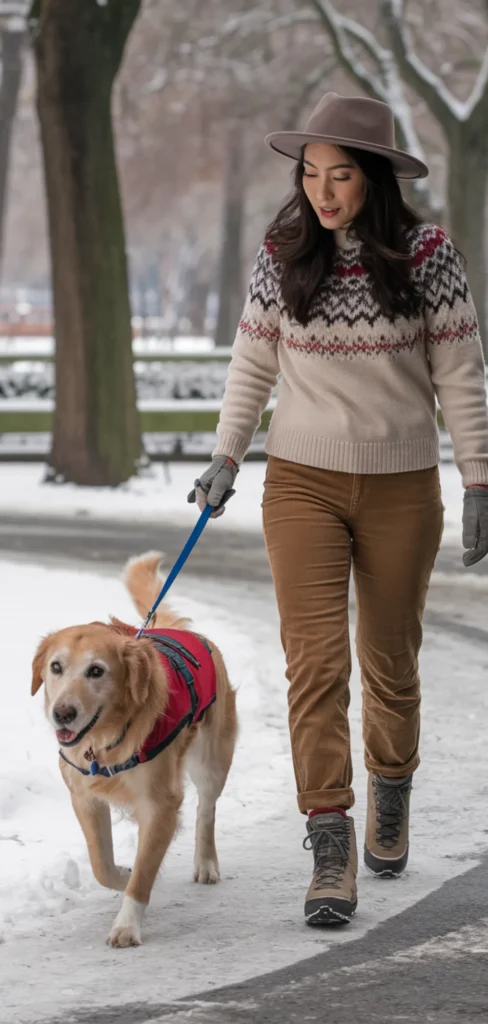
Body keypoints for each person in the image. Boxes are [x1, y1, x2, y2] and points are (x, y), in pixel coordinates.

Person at [187, 92, 488, 926]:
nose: (323, 192)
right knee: (314, 667)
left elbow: (461, 372)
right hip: (302, 484)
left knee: (389, 663)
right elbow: (252, 363)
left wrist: (480, 479)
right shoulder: (283, 252)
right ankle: (329, 841)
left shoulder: (428, 254)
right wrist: (224, 458)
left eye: (341, 175)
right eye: (312, 174)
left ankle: (391, 787)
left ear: (377, 177)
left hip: (400, 486)